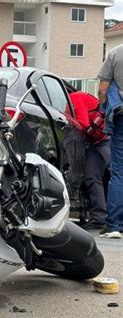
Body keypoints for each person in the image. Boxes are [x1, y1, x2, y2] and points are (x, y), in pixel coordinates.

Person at [68, 91, 110, 230]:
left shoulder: (75, 97)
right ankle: (99, 218)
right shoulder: (75, 100)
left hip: (106, 140)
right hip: (96, 141)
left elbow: (84, 123)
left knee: (114, 176)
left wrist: (67, 120)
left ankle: (105, 217)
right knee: (92, 176)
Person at [97, 44, 123, 239]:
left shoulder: (116, 53)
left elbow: (103, 90)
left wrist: (104, 108)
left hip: (121, 117)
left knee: (119, 173)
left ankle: (114, 224)